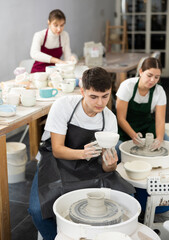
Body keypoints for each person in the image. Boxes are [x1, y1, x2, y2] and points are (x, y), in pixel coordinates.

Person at [28, 67, 135, 240]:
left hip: (89, 164)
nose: (100, 103)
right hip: (57, 160)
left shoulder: (109, 118)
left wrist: (110, 165)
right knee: (37, 210)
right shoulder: (64, 106)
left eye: (105, 96)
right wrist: (82, 154)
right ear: (83, 91)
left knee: (127, 198)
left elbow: (106, 167)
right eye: (93, 96)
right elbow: (57, 149)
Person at [116, 57, 169, 214]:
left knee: (168, 148)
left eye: (157, 77)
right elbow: (121, 118)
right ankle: (124, 191)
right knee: (118, 151)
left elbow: (160, 121)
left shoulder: (159, 91)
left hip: (147, 126)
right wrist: (133, 135)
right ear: (140, 72)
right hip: (125, 126)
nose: (152, 80)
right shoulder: (127, 86)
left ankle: (161, 189)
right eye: (149, 75)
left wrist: (159, 139)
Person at [30, 9, 75, 73]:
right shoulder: (39, 35)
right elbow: (34, 53)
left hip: (55, 73)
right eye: (56, 25)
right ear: (49, 23)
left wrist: (71, 59)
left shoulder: (65, 35)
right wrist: (57, 60)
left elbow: (67, 56)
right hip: (38, 72)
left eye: (62, 25)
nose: (59, 29)